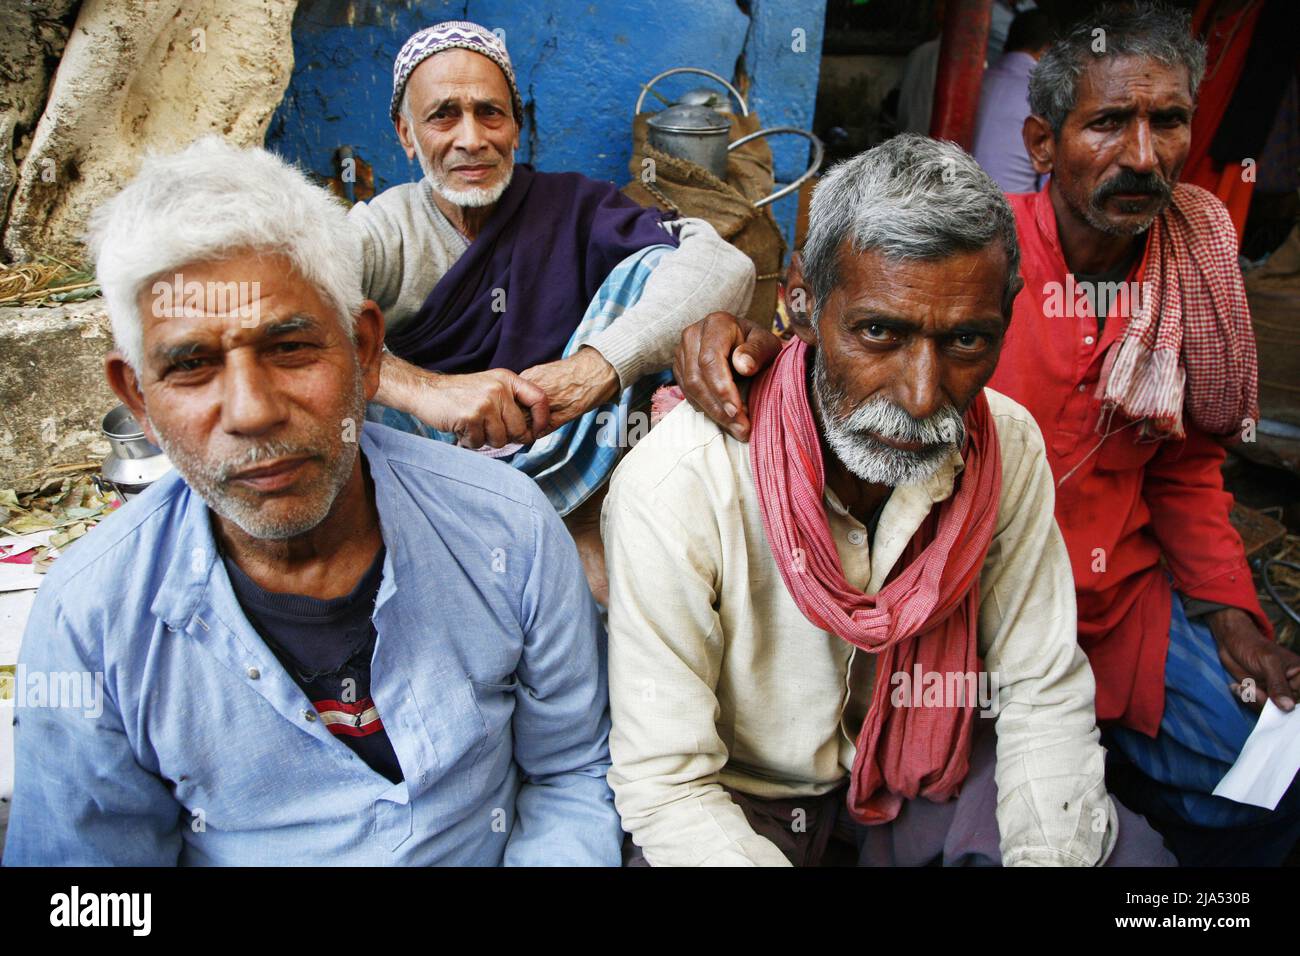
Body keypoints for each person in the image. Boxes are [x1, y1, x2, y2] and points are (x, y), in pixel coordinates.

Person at [668, 2, 1299, 866]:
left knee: (1270, 780)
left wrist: (1232, 617)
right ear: (1042, 144)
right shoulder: (969, 261)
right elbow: (842, 352)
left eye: (1169, 122)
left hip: (1118, 614)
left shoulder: (1195, 269)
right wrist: (748, 339)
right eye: (1109, 123)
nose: (1143, 156)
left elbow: (1186, 468)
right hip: (954, 613)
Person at [3, 138, 621, 866]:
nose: (251, 410)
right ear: (137, 397)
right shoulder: (91, 617)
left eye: (290, 347)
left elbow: (572, 773)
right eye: (191, 365)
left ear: (364, 352)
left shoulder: (509, 528)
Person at [603, 135, 1174, 867]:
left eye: (966, 341)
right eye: (879, 333)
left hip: (928, 781)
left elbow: (1039, 690)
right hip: (741, 801)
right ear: (801, 303)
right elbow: (669, 786)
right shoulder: (679, 480)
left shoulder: (1007, 445)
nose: (921, 394)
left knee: (1137, 869)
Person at [350, 21, 754, 602]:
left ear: (516, 127)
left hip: (565, 453)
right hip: (433, 467)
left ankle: (583, 522)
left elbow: (725, 267)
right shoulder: (383, 230)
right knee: (334, 360)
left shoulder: (572, 206)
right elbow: (283, 309)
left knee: (654, 271)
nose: (472, 138)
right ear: (407, 135)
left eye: (490, 113)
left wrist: (595, 368)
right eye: (443, 116)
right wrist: (427, 390)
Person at [972, 9, 1054, 193]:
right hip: (1014, 214)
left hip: (962, 205)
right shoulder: (1044, 94)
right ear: (1047, 50)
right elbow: (1050, 186)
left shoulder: (979, 81)